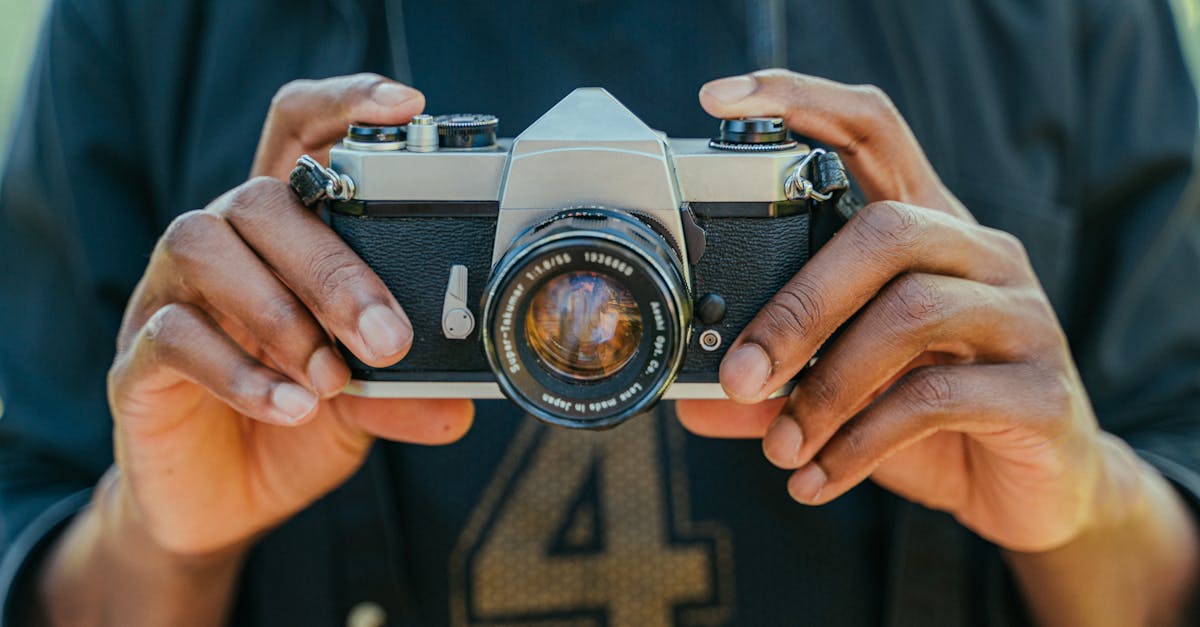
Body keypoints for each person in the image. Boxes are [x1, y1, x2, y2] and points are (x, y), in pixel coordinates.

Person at [0, 1, 1197, 625]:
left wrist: (1086, 508)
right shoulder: (151, 19)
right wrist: (163, 540)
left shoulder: (1059, 15)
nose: (587, 322)